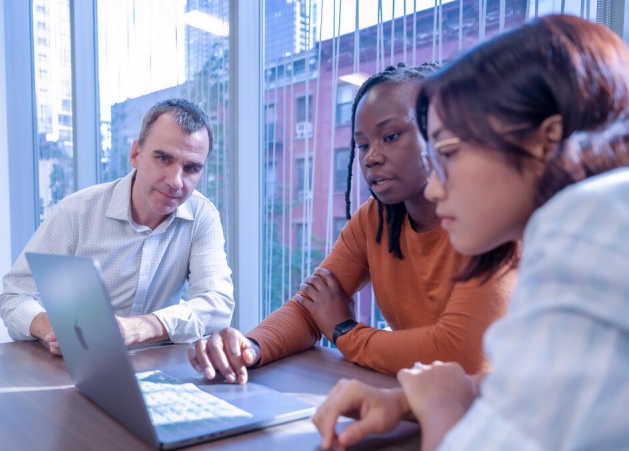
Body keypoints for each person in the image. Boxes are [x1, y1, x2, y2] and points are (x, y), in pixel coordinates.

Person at [312, 14, 629, 451]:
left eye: (450, 156)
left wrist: (436, 407)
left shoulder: (588, 225)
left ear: (545, 141)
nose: (436, 189)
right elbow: (544, 392)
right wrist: (404, 401)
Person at [189, 64, 515, 384]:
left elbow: (459, 354)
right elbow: (312, 307)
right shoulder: (376, 219)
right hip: (422, 402)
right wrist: (250, 348)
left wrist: (345, 331)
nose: (371, 156)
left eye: (390, 136)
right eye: (362, 144)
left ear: (440, 134)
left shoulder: (492, 220)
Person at [0, 99, 234, 355]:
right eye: (163, 159)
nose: (176, 182)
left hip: (158, 367)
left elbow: (217, 305)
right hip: (77, 364)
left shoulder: (202, 215)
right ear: (135, 154)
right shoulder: (76, 211)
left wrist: (141, 327)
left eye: (191, 168)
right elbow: (15, 296)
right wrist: (48, 326)